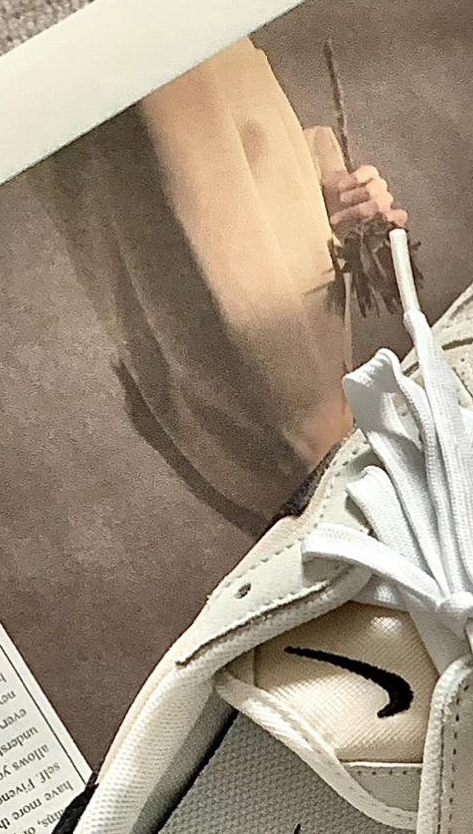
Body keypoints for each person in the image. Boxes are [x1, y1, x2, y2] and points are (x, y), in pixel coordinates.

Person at [43, 37, 407, 528]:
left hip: (146, 75)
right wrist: (320, 202)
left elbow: (188, 189)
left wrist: (312, 196)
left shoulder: (299, 434)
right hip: (308, 448)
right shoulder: (309, 430)